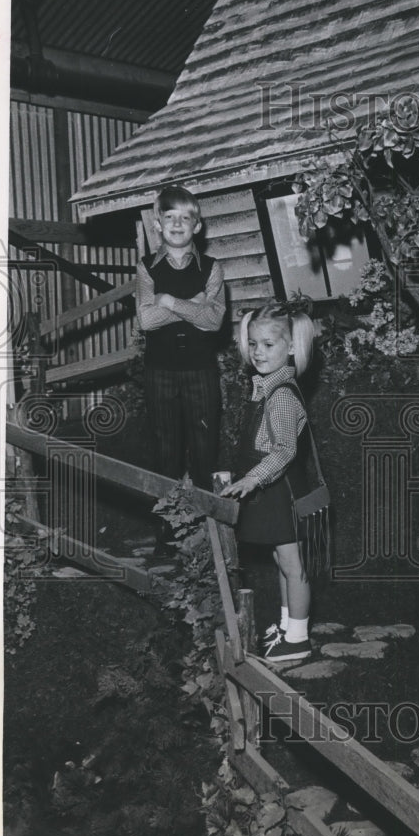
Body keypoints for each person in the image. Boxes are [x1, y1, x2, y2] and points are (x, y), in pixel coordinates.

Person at [220, 301, 319, 663]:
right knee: (282, 561)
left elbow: (283, 453)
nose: (258, 352)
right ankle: (285, 625)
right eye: (253, 344)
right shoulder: (266, 387)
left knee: (293, 565)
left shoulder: (280, 396)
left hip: (282, 491)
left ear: (292, 347)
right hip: (274, 490)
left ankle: (299, 637)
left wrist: (252, 479)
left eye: (268, 345)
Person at [135, 185, 225, 493]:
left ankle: (207, 534)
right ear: (157, 224)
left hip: (201, 370)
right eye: (169, 216)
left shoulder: (212, 268)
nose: (176, 224)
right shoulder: (146, 267)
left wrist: (170, 302)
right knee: (165, 453)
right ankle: (168, 533)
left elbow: (213, 321)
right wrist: (195, 304)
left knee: (204, 452)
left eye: (185, 217)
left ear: (197, 226)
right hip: (159, 370)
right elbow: (146, 319)